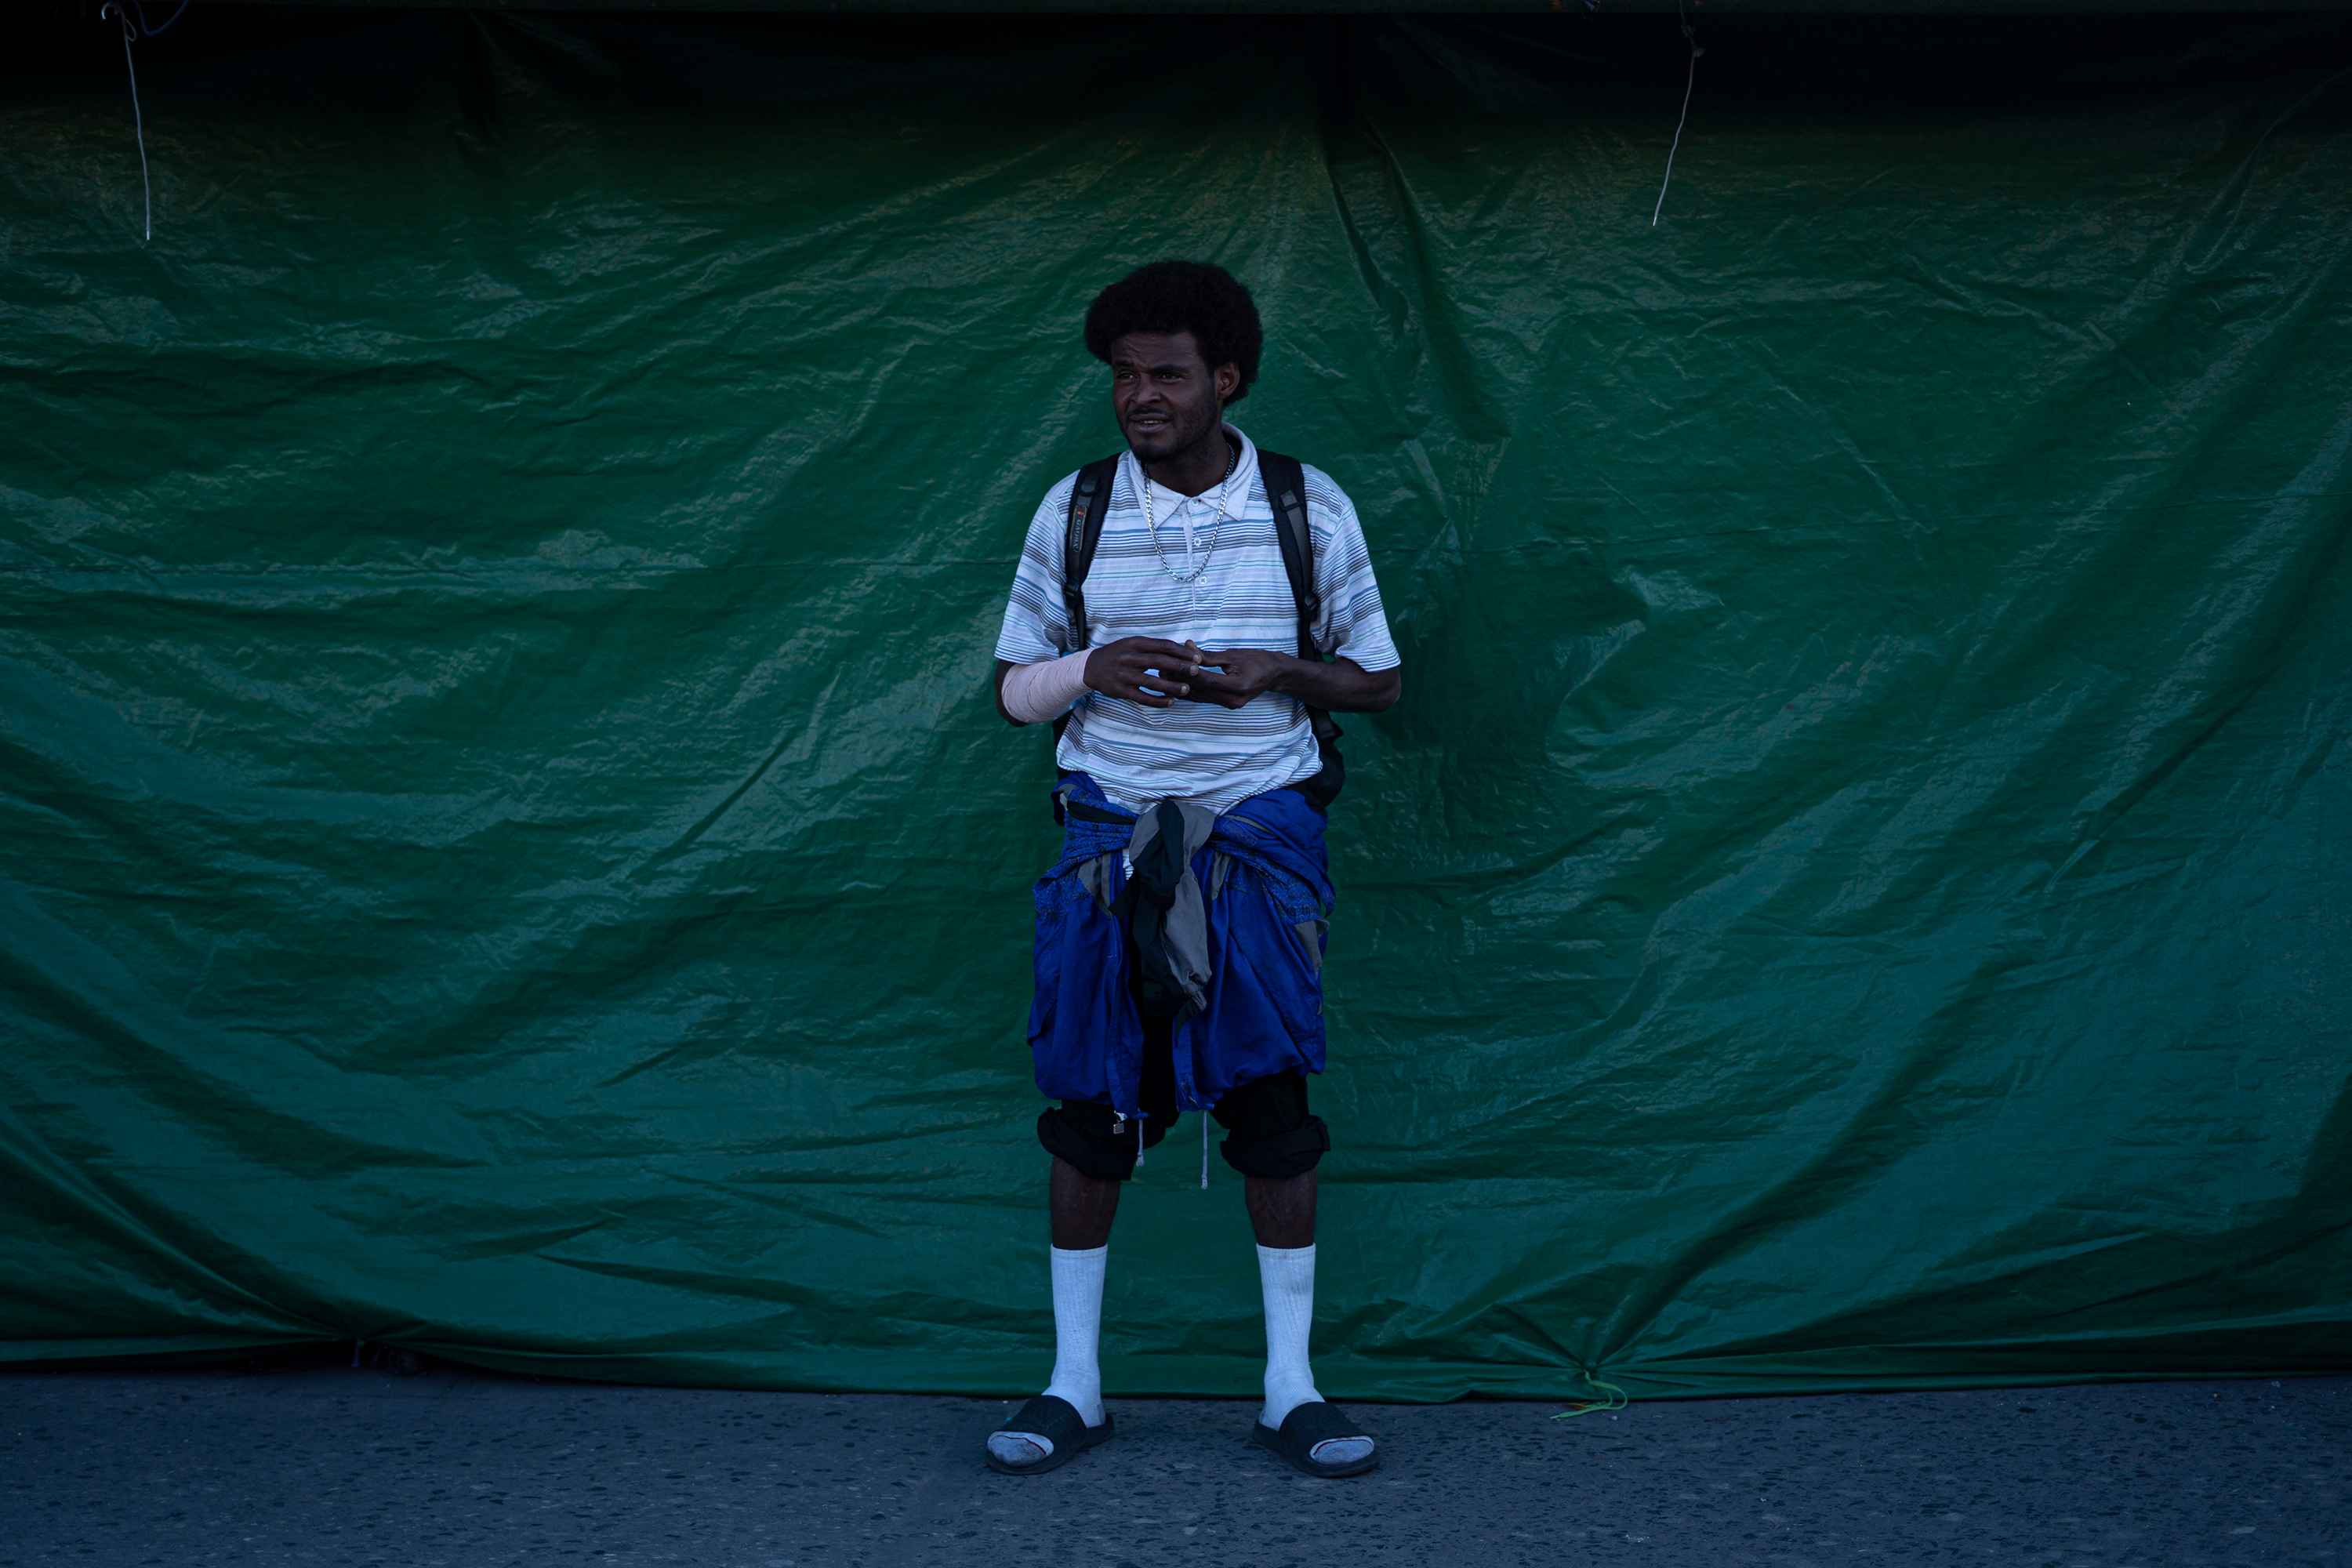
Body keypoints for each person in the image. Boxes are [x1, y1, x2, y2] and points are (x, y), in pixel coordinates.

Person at [985, 260, 1402, 1479]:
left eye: (1166, 375)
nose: (1140, 397)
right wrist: (1092, 669)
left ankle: (1289, 1391)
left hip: (1260, 837)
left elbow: (1377, 680)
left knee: (1272, 1107)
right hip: (1106, 835)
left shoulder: (1306, 507)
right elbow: (1013, 690)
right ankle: (1073, 1387)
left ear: (1228, 379)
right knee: (1089, 1112)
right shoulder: (1074, 511)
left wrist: (1279, 673)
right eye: (1123, 376)